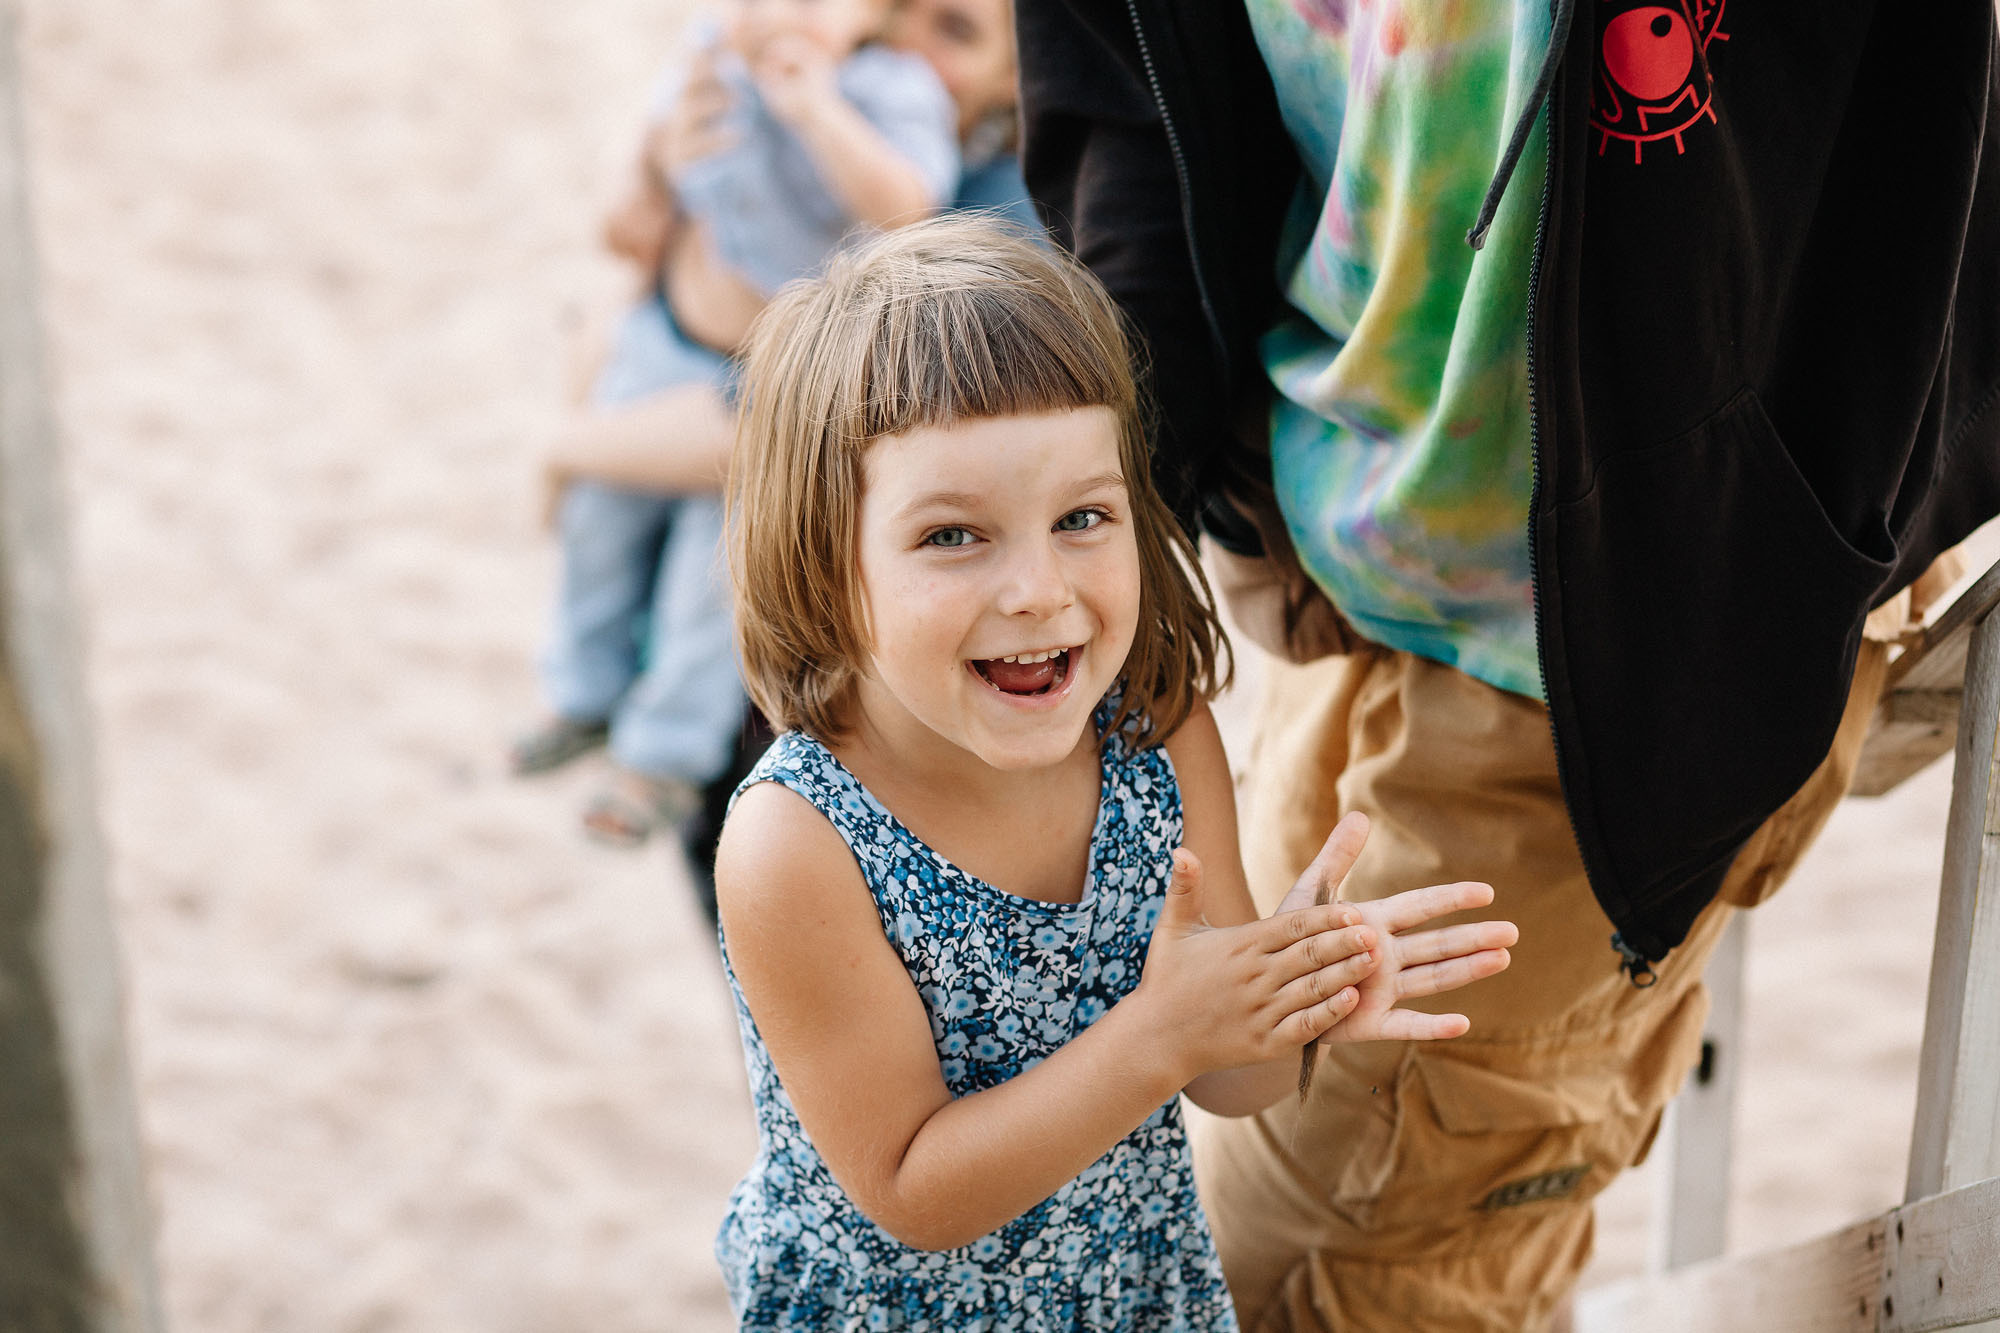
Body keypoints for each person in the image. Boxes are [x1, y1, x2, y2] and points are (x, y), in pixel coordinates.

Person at [1015, 0, 2000, 1327]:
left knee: (1356, 1265)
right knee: (1255, 1205)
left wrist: (1817, 510)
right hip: (1328, 542)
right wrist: (1141, 480)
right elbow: (1125, 86)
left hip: (1626, 636)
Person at [710, 217, 1519, 1327]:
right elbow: (911, 1187)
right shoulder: (799, 841)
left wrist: (1290, 996)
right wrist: (1160, 1035)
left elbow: (1236, 1086)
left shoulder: (1155, 739)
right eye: (953, 536)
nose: (1039, 588)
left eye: (1081, 517)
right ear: (825, 561)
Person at [510, 0, 959, 845]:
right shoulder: (709, 58)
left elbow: (909, 204)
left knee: (708, 579)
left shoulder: (887, 89)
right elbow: (632, 215)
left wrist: (814, 110)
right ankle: (581, 688)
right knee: (598, 523)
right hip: (665, 342)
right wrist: (653, 161)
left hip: (772, 381)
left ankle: (662, 755)